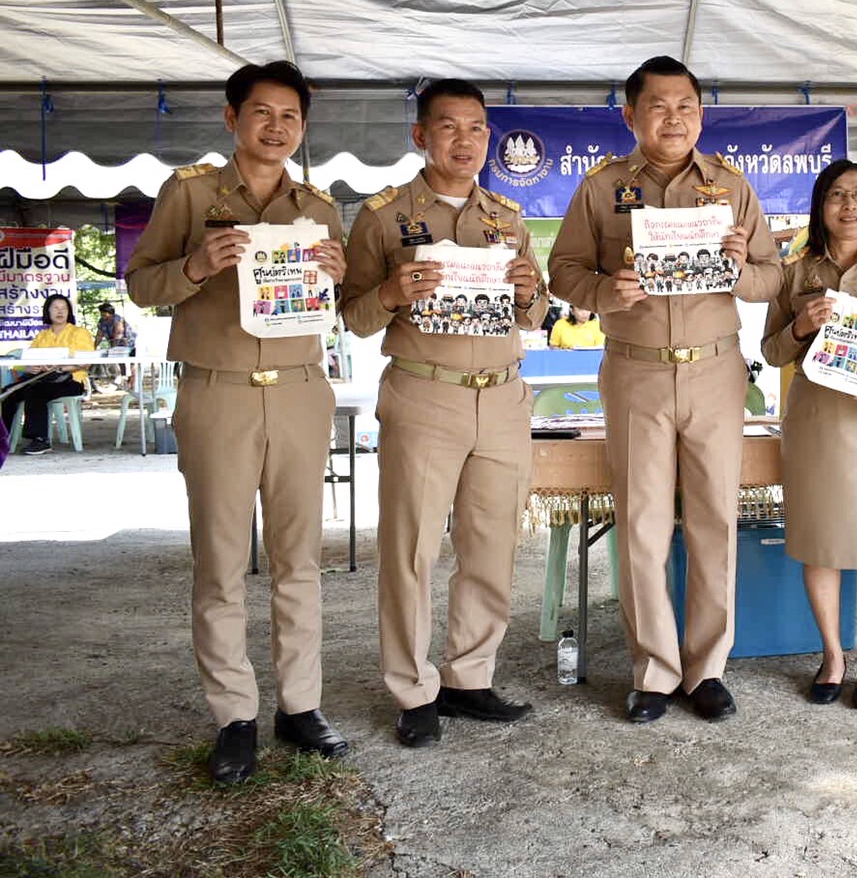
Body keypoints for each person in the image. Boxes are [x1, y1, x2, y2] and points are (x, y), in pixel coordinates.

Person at [125, 60, 349, 784]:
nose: (276, 127)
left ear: (302, 127)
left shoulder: (319, 206)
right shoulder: (190, 193)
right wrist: (194, 267)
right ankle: (234, 717)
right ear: (232, 118)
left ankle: (300, 706)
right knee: (220, 561)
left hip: (300, 390)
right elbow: (140, 284)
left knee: (299, 558)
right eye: (262, 112)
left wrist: (338, 272)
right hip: (217, 390)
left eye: (290, 116)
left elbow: (335, 302)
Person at [548, 55, 783, 724]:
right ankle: (653, 671)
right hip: (636, 369)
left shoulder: (731, 186)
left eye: (686, 106)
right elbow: (562, 270)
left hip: (715, 370)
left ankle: (707, 669)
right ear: (631, 115)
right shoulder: (601, 187)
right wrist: (604, 291)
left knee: (714, 521)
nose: (673, 118)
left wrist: (740, 269)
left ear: (701, 115)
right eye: (658, 105)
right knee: (642, 524)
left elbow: (772, 276)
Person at [341, 78, 547, 749]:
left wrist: (530, 290)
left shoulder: (507, 217)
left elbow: (537, 313)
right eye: (450, 127)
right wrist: (390, 292)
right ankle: (412, 689)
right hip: (425, 393)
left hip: (504, 395)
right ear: (421, 135)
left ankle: (469, 677)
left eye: (477, 127)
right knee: (411, 550)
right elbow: (353, 316)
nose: (466, 140)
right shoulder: (383, 217)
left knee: (491, 545)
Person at [761, 160, 857, 710]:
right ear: (819, 206)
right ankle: (832, 655)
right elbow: (771, 351)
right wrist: (801, 325)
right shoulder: (793, 270)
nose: (849, 206)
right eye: (837, 195)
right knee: (820, 543)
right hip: (816, 424)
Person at [1, 294, 94, 455]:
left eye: (64, 308)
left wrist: (61, 368)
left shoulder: (79, 333)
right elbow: (28, 360)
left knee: (35, 392)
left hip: (71, 381)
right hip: (42, 378)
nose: (60, 311)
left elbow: (86, 362)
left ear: (69, 312)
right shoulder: (42, 336)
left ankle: (40, 440)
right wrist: (31, 368)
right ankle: (3, 438)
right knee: (8, 393)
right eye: (56, 308)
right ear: (48, 311)